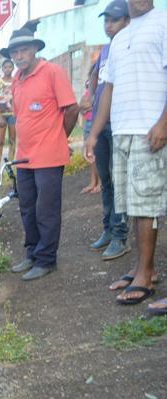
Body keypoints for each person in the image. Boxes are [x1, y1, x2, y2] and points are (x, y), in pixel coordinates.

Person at [84, 0, 166, 311]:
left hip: (150, 129)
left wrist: (163, 122)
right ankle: (141, 267)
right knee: (132, 204)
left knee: (147, 205)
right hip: (122, 131)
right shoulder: (119, 39)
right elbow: (108, 90)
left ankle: (145, 275)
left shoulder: (163, 24)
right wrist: (93, 133)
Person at [3, 26, 79, 281]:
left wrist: (59, 137)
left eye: (23, 49)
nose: (18, 55)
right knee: (27, 207)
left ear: (35, 49)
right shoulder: (16, 79)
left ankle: (46, 260)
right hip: (24, 156)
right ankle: (32, 253)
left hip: (48, 156)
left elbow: (71, 109)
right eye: (14, 51)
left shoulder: (52, 73)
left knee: (46, 209)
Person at [86, 0, 131, 260]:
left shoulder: (128, 46)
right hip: (100, 122)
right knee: (106, 180)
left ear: (127, 20)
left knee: (119, 181)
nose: (109, 25)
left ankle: (120, 236)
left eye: (114, 20)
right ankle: (107, 229)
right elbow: (98, 82)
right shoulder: (105, 50)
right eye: (106, 21)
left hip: (120, 121)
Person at [79, 73, 102, 194]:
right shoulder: (91, 80)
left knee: (99, 153)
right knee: (89, 154)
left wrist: (89, 105)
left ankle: (101, 183)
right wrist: (86, 105)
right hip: (88, 122)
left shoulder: (103, 79)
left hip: (97, 121)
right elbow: (81, 104)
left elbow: (95, 102)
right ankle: (93, 181)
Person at [0, 59, 17, 172]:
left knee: (12, 140)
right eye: (5, 67)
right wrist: (0, 116)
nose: (8, 69)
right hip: (2, 114)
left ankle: (9, 167)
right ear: (2, 69)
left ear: (13, 68)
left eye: (10, 67)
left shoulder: (16, 81)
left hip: (13, 114)